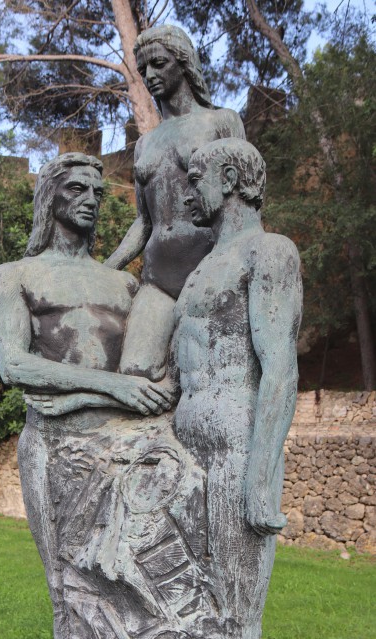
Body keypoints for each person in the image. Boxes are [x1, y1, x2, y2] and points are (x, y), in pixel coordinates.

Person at [172, 137, 302, 639]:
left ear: (230, 177)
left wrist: (259, 477)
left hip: (232, 452)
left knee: (233, 624)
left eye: (195, 178)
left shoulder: (267, 252)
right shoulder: (203, 264)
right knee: (187, 618)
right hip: (183, 450)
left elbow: (278, 365)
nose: (189, 192)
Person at [104, 24, 246, 381]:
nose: (149, 75)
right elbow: (144, 221)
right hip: (157, 279)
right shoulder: (144, 145)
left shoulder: (221, 122)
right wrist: (109, 266)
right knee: (136, 370)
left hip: (210, 271)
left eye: (159, 63)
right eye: (143, 70)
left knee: (207, 377)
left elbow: (245, 200)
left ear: (183, 63)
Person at [0, 152, 172, 417]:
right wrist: (113, 385)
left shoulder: (124, 283)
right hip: (54, 434)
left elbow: (155, 384)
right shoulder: (13, 275)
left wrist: (87, 398)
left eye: (97, 193)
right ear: (50, 194)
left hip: (123, 431)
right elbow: (13, 365)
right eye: (77, 189)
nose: (90, 201)